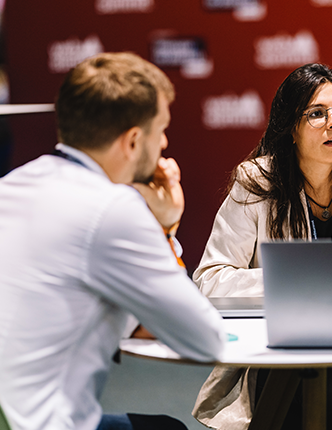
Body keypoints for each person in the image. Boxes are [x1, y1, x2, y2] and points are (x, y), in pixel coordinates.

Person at [0, 52, 226, 430]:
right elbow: (205, 339)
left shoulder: (12, 185)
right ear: (134, 141)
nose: (165, 142)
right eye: (161, 129)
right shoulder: (112, 207)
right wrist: (167, 227)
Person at [191, 63, 332, 429]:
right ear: (290, 129)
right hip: (276, 353)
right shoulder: (257, 182)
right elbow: (210, 280)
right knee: (316, 387)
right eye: (316, 113)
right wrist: (293, 287)